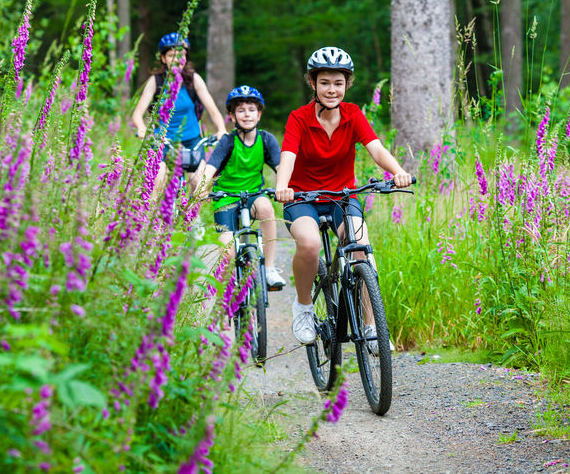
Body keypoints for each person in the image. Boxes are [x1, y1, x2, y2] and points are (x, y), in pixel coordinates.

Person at [275, 47, 412, 345]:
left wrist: (397, 171)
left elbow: (375, 148)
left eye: (338, 83)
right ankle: (303, 307)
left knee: (360, 246)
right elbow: (287, 154)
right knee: (310, 245)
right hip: (302, 198)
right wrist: (283, 184)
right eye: (324, 82)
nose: (331, 89)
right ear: (312, 83)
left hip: (342, 196)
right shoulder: (298, 118)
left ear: (347, 84)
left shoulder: (352, 114)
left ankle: (371, 326)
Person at [199, 86, 287, 289]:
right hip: (226, 198)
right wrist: (202, 189)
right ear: (232, 116)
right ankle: (227, 295)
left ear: (259, 113)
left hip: (254, 195)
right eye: (240, 110)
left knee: (267, 209)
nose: (246, 114)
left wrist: (286, 186)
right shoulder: (227, 142)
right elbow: (210, 167)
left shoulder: (266, 140)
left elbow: (281, 167)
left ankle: (269, 269)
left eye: (251, 109)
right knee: (227, 252)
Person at [131, 33, 227, 192]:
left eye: (180, 55)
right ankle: (154, 216)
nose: (176, 59)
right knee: (158, 178)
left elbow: (213, 110)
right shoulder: (156, 81)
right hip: (162, 142)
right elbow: (137, 113)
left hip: (192, 142)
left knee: (199, 183)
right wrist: (142, 128)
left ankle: (193, 217)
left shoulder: (193, 79)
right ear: (163, 59)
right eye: (171, 55)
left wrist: (221, 129)